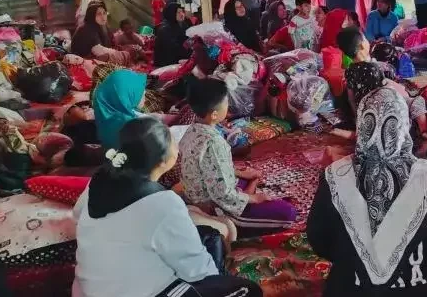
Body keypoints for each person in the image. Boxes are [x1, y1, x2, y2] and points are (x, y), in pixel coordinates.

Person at [73, 117, 261, 297]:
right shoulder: (163, 203)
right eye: (172, 142)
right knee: (247, 290)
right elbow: (198, 272)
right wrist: (220, 285)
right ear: (164, 161)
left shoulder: (99, 180)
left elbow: (77, 214)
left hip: (88, 290)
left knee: (204, 234)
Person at [307, 87, 427, 297]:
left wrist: (353, 255)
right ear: (404, 125)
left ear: (361, 125)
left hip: (350, 288)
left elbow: (318, 239)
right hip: (426, 287)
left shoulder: (334, 175)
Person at [179, 78, 297, 233]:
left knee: (250, 177)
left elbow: (210, 167)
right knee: (288, 213)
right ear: (214, 114)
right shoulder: (214, 143)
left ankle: (247, 190)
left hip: (206, 191)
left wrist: (240, 173)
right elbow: (222, 194)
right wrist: (253, 199)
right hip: (217, 207)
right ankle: (238, 216)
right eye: (226, 103)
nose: (228, 107)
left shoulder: (191, 130)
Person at [92, 69, 149, 151]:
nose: (144, 92)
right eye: (137, 90)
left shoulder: (108, 119)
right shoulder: (130, 127)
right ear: (124, 95)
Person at [71, 4, 136, 66]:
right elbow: (99, 51)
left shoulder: (98, 26)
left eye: (104, 13)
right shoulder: (87, 28)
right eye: (99, 14)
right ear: (92, 15)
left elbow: (109, 43)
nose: (103, 17)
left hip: (90, 57)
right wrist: (122, 53)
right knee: (124, 54)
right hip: (82, 60)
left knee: (128, 50)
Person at [154, 3, 191, 68]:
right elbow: (173, 49)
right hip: (167, 63)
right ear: (171, 14)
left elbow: (188, 39)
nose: (182, 14)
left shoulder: (183, 24)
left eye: (182, 11)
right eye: (178, 12)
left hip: (179, 58)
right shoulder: (164, 29)